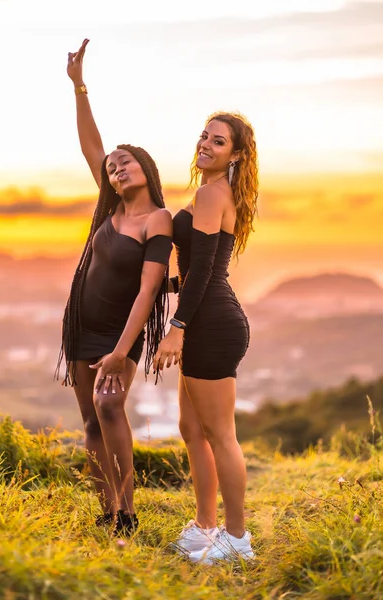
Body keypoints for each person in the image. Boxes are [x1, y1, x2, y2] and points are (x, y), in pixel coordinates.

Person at [56, 39, 173, 536]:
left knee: (109, 406)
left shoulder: (158, 220)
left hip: (119, 334)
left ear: (145, 167)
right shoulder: (110, 209)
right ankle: (106, 511)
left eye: (124, 161)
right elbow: (90, 146)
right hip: (81, 325)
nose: (115, 167)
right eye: (111, 167)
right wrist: (79, 87)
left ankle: (127, 510)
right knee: (89, 421)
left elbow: (149, 293)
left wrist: (122, 352)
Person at [154, 111, 258, 563]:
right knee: (191, 429)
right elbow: (201, 270)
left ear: (235, 154)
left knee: (219, 434)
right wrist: (167, 288)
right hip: (206, 315)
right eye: (203, 136)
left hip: (211, 323)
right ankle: (204, 527)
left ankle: (236, 540)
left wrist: (176, 328)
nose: (206, 144)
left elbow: (203, 278)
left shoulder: (211, 193)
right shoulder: (216, 193)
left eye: (218, 142)